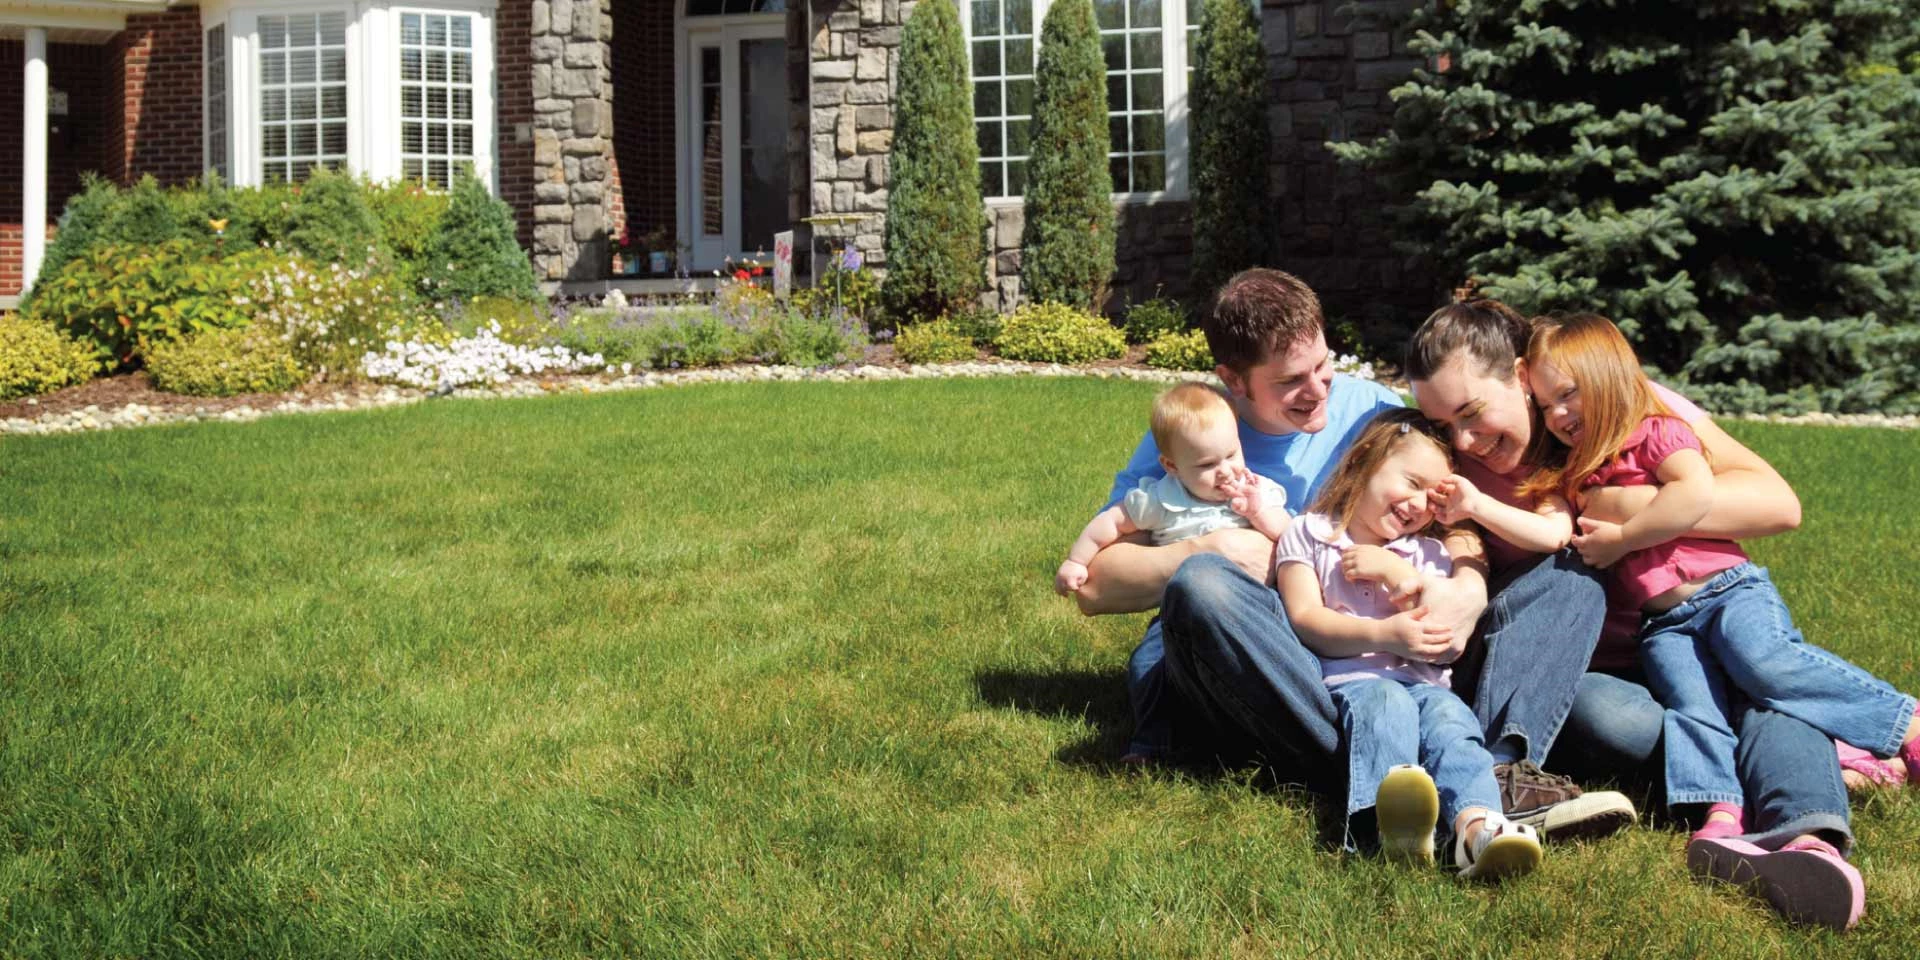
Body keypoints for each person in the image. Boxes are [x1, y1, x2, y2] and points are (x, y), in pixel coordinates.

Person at [1073, 268, 1633, 841]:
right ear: (1233, 380)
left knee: (1569, 575)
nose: (1319, 390)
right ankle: (1381, 775)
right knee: (1204, 585)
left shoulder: (1373, 411)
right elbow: (1093, 586)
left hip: (1408, 649)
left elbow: (1445, 501)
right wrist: (1217, 548)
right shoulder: (1199, 436)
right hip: (1291, 658)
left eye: (1324, 366)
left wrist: (1467, 583)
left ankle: (1492, 775)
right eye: (1291, 381)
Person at [1406, 294, 1862, 931]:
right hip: (1579, 676)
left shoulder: (1613, 403)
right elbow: (1455, 533)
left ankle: (1808, 840)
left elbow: (1776, 503)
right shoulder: (1454, 459)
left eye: (1472, 412)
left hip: (1682, 630)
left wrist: (1623, 511)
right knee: (1618, 716)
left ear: (1520, 376)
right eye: (1444, 424)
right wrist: (1466, 571)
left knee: (1759, 691)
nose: (1463, 440)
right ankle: (1776, 779)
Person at [1521, 312, 1914, 927]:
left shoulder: (1657, 429)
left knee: (1769, 667)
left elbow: (1697, 493)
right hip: (1664, 623)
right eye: (1545, 405)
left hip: (1725, 591)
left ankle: (1904, 725)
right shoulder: (1573, 471)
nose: (1558, 414)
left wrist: (1624, 533)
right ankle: (1722, 815)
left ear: (1609, 375)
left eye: (1568, 394)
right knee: (1695, 710)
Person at [1277, 408, 1541, 880]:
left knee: (1454, 726)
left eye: (1431, 496)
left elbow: (1447, 638)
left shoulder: (1428, 553)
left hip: (1428, 685)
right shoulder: (1311, 534)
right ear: (1363, 460)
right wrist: (1382, 635)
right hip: (1355, 683)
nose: (1418, 504)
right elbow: (1305, 619)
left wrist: (1398, 574)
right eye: (1412, 483)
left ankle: (1477, 827)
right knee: (1387, 703)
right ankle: (1383, 827)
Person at [1056, 382, 1290, 597]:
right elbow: (1110, 523)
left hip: (1261, 598)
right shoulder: (1161, 500)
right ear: (1172, 466)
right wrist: (1076, 561)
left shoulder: (1254, 490)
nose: (1225, 471)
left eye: (1231, 455)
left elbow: (1288, 533)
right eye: (1207, 465)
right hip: (1188, 603)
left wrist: (1257, 512)